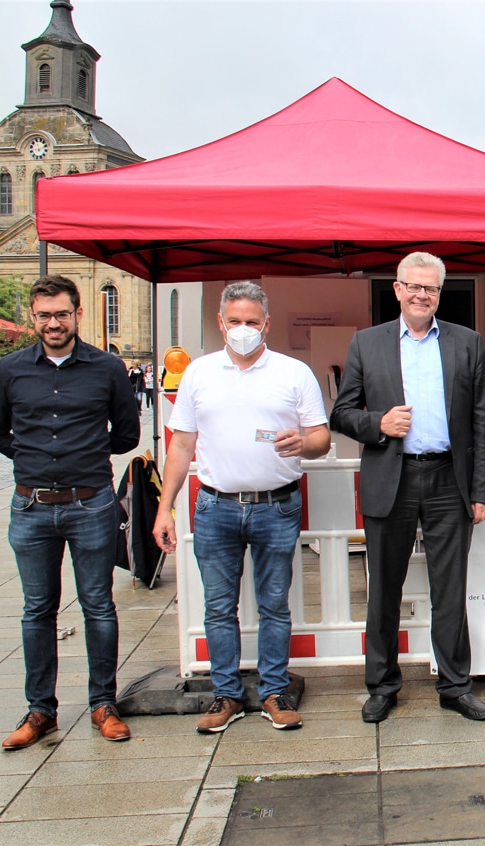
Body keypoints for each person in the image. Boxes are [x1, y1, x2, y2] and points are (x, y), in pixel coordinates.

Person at [153, 282, 330, 734]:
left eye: (252, 322)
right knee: (218, 607)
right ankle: (226, 695)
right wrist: (164, 507)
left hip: (276, 506)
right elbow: (181, 446)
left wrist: (304, 443)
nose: (244, 330)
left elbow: (321, 439)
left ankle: (274, 690)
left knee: (274, 604)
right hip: (216, 506)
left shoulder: (294, 373)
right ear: (221, 323)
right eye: (235, 322)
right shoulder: (198, 373)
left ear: (266, 323)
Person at [331, 252, 485, 723]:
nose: (423, 295)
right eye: (414, 286)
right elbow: (341, 413)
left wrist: (483, 490)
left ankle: (455, 686)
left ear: (439, 294)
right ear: (398, 289)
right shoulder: (367, 343)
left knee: (451, 588)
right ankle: (382, 685)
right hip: (392, 477)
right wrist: (378, 423)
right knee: (384, 589)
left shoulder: (467, 343)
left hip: (450, 480)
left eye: (432, 288)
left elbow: (481, 423)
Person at [0, 275, 140, 749]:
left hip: (91, 503)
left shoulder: (107, 368)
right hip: (31, 506)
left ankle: (103, 704)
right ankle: (40, 711)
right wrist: (33, 460)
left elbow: (127, 435)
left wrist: (85, 458)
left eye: (62, 314)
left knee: (98, 605)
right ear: (33, 316)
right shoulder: (10, 370)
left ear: (78, 314)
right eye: (44, 315)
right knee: (37, 610)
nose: (54, 323)